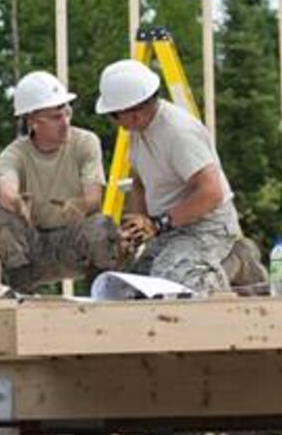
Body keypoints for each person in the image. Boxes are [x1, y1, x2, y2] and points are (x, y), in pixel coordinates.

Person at [93, 58, 239, 295]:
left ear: (134, 113)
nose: (116, 122)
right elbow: (140, 181)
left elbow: (211, 192)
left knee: (173, 284)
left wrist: (158, 223)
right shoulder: (138, 132)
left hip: (206, 227)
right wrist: (138, 225)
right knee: (128, 289)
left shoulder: (178, 132)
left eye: (114, 115)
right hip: (170, 229)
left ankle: (222, 280)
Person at [0, 71, 125, 293]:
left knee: (101, 226)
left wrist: (81, 205)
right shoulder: (14, 154)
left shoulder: (85, 142)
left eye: (67, 113)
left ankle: (102, 295)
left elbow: (94, 196)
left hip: (75, 245)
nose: (65, 122)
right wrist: (17, 203)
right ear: (33, 122)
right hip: (34, 249)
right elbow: (6, 189)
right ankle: (22, 293)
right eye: (56, 117)